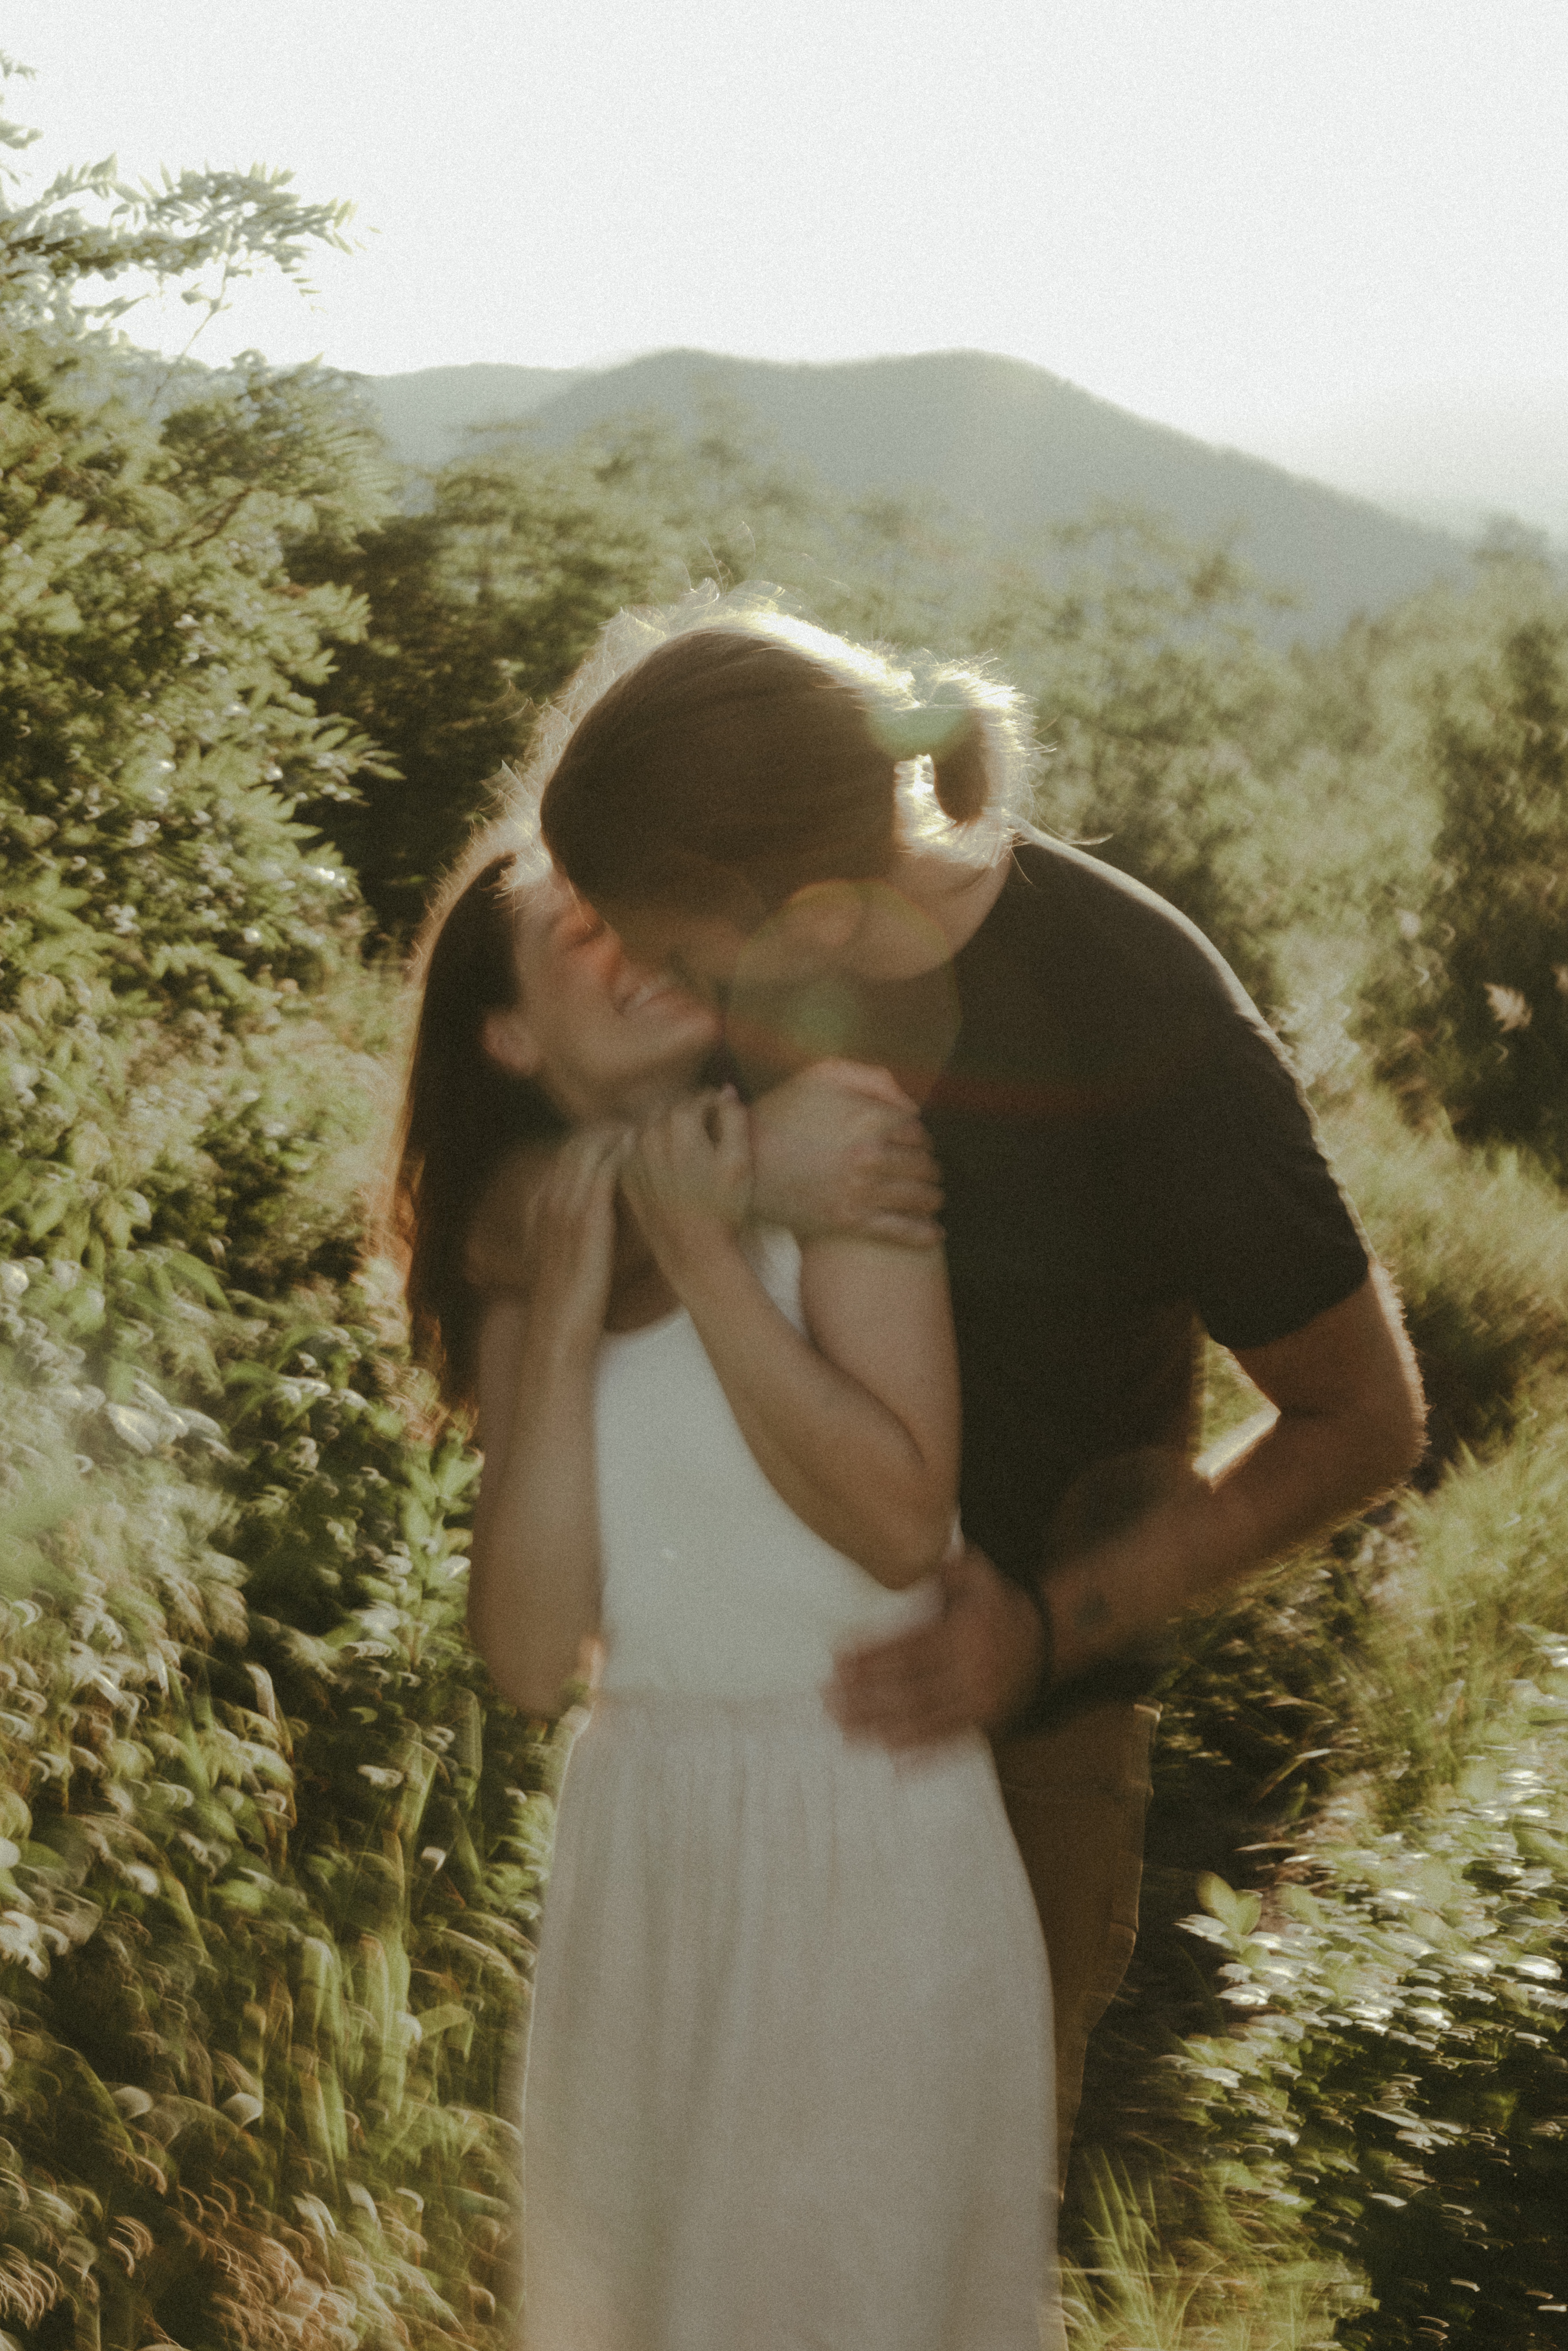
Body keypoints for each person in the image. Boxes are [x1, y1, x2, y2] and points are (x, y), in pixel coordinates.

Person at [469, 586, 1428, 2170]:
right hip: (722, 1755)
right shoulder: (740, 978)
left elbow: (1364, 1417)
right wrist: (733, 1172)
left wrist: (1046, 1632)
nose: (665, 988)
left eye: (676, 946)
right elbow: (508, 1180)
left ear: (792, 893)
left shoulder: (1132, 1001)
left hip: (1007, 1751)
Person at [391, 830, 1061, 2351]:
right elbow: (521, 1657)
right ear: (507, 1033)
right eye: (578, 938)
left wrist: (702, 1252)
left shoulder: (833, 1125)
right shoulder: (527, 1245)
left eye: (634, 913)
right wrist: (566, 1307)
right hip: (644, 1853)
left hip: (864, 1827)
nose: (633, 950)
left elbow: (900, 1527)